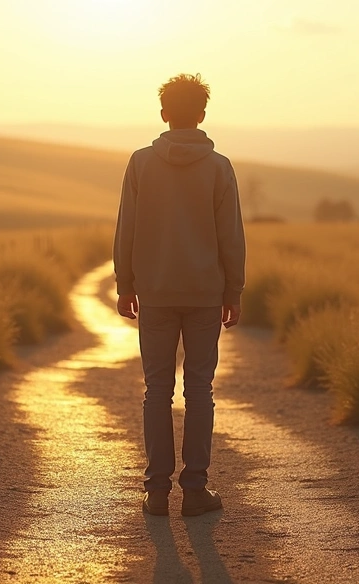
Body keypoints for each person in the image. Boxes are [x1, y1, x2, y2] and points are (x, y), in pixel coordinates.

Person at [113, 73, 246, 517]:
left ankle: (155, 493)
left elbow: (126, 228)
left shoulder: (140, 163)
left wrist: (125, 283)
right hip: (206, 294)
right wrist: (234, 290)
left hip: (154, 292)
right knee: (200, 390)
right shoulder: (219, 166)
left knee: (156, 389)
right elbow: (231, 236)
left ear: (164, 113)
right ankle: (194, 490)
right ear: (203, 115)